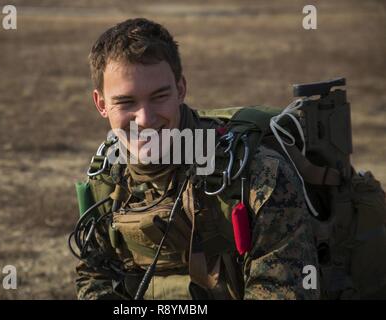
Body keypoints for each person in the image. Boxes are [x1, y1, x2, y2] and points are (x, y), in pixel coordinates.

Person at [73, 18, 320, 300]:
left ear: (180, 89)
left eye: (159, 96)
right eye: (126, 102)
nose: (145, 119)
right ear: (101, 104)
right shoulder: (106, 177)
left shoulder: (254, 174)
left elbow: (283, 291)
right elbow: (93, 275)